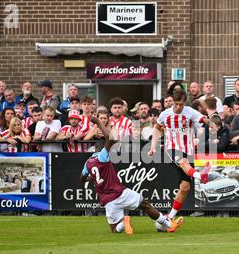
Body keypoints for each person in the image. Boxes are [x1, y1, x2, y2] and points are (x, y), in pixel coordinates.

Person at [80, 116, 182, 234]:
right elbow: (110, 138)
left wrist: (90, 178)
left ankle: (123, 223)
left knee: (114, 230)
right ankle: (168, 224)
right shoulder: (102, 156)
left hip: (107, 200)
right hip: (119, 192)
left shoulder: (87, 163)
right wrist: (97, 122)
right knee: (145, 205)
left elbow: (82, 178)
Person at [148, 91, 212, 221]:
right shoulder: (165, 114)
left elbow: (205, 120)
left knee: (185, 188)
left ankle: (169, 218)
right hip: (172, 148)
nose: (178, 107)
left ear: (185, 103)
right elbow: (157, 128)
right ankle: (200, 175)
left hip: (188, 151)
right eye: (176, 104)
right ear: (172, 102)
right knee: (183, 162)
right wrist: (153, 146)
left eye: (180, 104)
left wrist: (213, 122)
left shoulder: (189, 112)